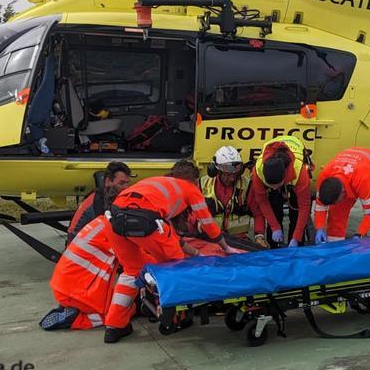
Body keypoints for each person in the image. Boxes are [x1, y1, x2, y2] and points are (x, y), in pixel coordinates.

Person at [103, 160, 241, 343]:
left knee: (130, 273)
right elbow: (207, 224)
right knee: (177, 268)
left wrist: (197, 253)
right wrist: (225, 247)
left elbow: (171, 235)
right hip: (148, 222)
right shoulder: (189, 189)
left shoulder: (156, 184)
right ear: (194, 180)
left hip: (114, 220)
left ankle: (114, 326)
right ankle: (175, 319)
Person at [313, 147, 370, 242]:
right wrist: (320, 227)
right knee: (336, 214)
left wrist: (360, 234)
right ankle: (334, 249)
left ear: (343, 193)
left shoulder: (361, 180)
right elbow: (320, 205)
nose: (333, 205)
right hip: (356, 168)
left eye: (335, 202)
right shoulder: (324, 177)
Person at [250, 135, 312, 248]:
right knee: (274, 205)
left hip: (295, 151)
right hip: (276, 173)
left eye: (276, 185)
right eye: (270, 186)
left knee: (296, 211)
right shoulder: (257, 171)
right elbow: (262, 201)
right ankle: (273, 246)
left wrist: (296, 237)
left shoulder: (299, 171)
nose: (273, 188)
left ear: (284, 177)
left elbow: (304, 206)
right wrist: (275, 227)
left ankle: (296, 244)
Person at [67, 161, 133, 243]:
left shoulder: (112, 197)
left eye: (127, 183)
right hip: (80, 245)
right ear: (108, 181)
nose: (126, 187)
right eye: (121, 183)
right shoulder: (96, 202)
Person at [200, 146, 253, 241]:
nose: (232, 178)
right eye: (227, 174)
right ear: (216, 171)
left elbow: (258, 212)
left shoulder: (247, 185)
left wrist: (259, 235)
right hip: (209, 238)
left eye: (235, 174)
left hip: (239, 239)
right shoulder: (202, 184)